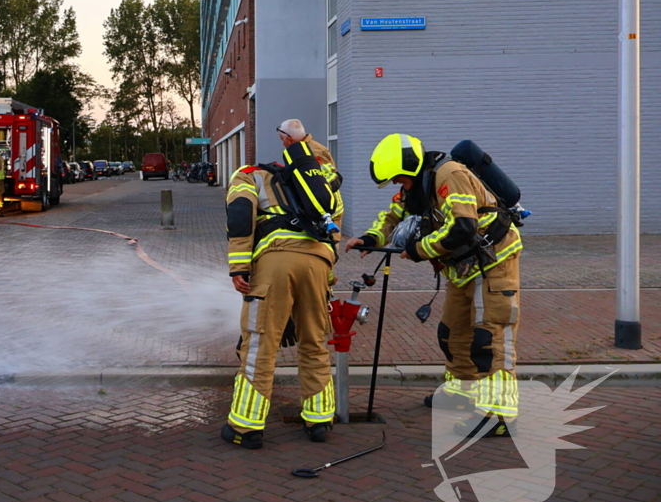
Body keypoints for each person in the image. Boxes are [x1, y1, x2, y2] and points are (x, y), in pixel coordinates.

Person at [345, 134, 522, 438]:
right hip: (462, 269)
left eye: (400, 178)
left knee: (488, 340)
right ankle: (461, 393)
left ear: (412, 167)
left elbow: (463, 226)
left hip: (493, 263)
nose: (400, 185)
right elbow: (391, 217)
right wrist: (371, 239)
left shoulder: (448, 175)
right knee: (452, 333)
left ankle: (498, 415)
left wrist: (419, 249)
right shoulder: (416, 187)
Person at [221, 119, 344, 449]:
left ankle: (245, 427)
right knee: (314, 340)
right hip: (318, 264)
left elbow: (239, 215)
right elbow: (335, 231)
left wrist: (239, 266)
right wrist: (327, 274)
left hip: (275, 262)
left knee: (260, 344)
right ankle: (318, 420)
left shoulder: (250, 174)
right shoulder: (324, 185)